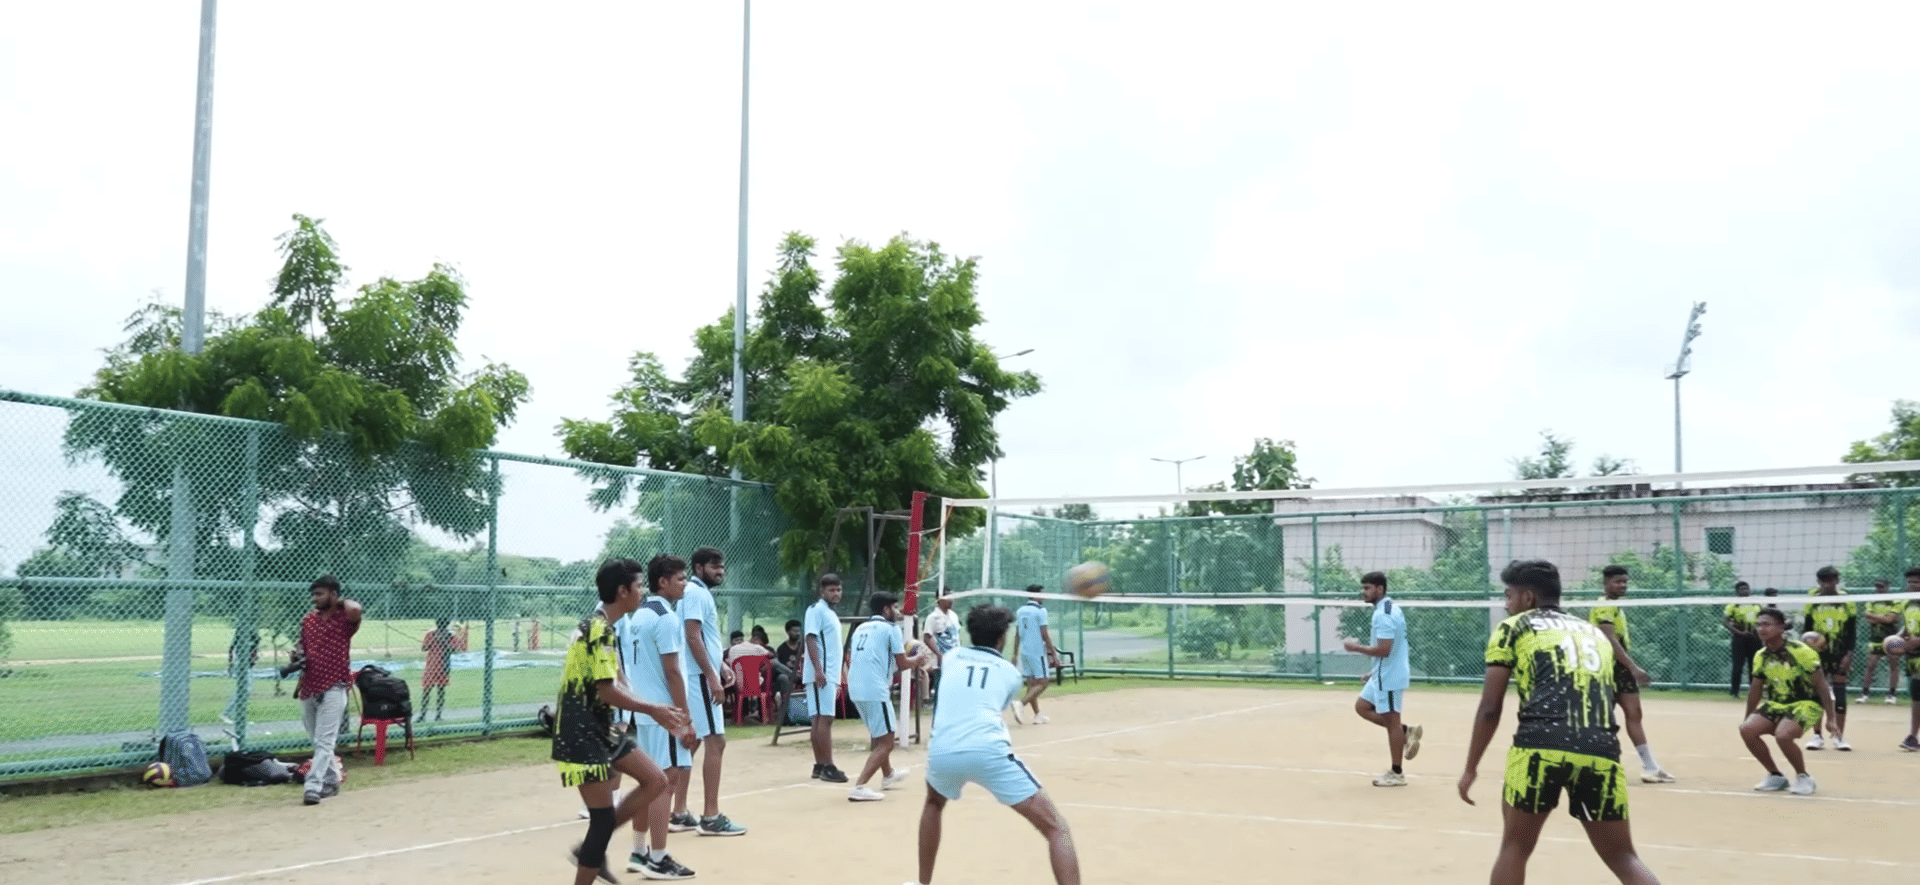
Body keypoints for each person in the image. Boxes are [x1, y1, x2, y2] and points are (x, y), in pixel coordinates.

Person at [1458, 559, 1661, 885]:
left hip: (1539, 748)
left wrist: (1470, 768)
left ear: (1527, 598)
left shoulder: (1514, 628)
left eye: (1508, 595)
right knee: (1624, 857)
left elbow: (1489, 709)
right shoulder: (1593, 633)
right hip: (1600, 749)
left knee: (1514, 848)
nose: (1506, 604)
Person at [904, 604, 1081, 885]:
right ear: (1001, 638)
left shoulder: (950, 658)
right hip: (988, 750)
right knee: (1056, 828)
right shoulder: (1011, 674)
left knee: (934, 804)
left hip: (943, 750)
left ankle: (922, 883)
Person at [554, 558, 691, 885]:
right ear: (622, 590)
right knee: (601, 823)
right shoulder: (597, 629)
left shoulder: (603, 627)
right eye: (639, 586)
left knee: (656, 780)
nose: (642, 592)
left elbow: (614, 678)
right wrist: (653, 709)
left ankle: (592, 850)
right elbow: (605, 692)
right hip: (582, 733)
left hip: (598, 729)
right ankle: (593, 853)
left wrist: (640, 701)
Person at [619, 554, 699, 880]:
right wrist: (685, 718)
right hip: (664, 713)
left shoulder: (638, 616)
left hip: (645, 711)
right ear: (663, 581)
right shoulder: (666, 618)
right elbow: (673, 672)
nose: (685, 583)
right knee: (665, 784)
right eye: (680, 578)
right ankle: (658, 857)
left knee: (650, 783)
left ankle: (639, 852)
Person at [669, 546, 747, 837]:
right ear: (699, 568)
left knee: (694, 742)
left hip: (699, 674)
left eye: (722, 567)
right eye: (714, 566)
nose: (720, 572)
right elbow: (692, 636)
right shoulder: (696, 593)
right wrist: (711, 676)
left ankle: (679, 812)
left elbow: (703, 638)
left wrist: (721, 665)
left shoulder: (695, 593)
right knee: (716, 741)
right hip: (699, 678)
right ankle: (711, 816)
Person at [1587, 565, 1675, 783]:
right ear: (1606, 584)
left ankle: (1650, 766)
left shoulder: (1617, 607)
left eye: (1625, 582)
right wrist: (1633, 667)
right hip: (1605, 668)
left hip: (1620, 668)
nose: (1622, 585)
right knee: (1601, 718)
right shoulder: (1604, 606)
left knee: (1634, 713)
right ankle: (1594, 764)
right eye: (1618, 581)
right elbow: (1608, 638)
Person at [1740, 607, 1840, 795]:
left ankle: (1803, 777)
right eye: (1758, 625)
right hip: (1777, 704)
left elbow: (1822, 687)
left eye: (1766, 624)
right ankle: (1775, 776)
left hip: (1806, 703)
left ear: (1781, 628)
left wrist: (1831, 719)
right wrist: (1748, 716)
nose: (1761, 629)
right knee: (1747, 730)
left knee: (1783, 735)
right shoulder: (1760, 655)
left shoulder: (1801, 651)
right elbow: (1755, 689)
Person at [1341, 571, 1422, 786]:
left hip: (1389, 676)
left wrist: (1355, 648)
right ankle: (1405, 731)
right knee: (1362, 706)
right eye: (1363, 588)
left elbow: (1385, 649)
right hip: (1382, 672)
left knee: (1391, 721)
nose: (1363, 592)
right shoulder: (1388, 609)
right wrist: (1372, 672)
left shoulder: (1384, 614)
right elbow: (1391, 648)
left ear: (1380, 589)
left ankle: (1396, 773)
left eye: (1367, 588)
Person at [292, 575, 361, 806]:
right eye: (313, 594)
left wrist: (341, 602)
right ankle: (332, 780)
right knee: (318, 740)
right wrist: (296, 654)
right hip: (309, 685)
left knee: (324, 741)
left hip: (334, 686)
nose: (314, 599)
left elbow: (355, 608)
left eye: (320, 594)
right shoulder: (309, 620)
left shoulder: (345, 618)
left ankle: (313, 787)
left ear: (333, 594)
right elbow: (301, 645)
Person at [847, 592, 916, 801]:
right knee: (887, 742)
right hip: (874, 689)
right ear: (886, 609)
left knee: (880, 736)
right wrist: (918, 659)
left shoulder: (860, 628)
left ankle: (888, 775)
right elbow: (903, 664)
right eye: (895, 608)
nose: (897, 612)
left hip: (855, 687)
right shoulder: (891, 629)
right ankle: (859, 787)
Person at [1801, 565, 1856, 750]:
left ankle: (1839, 736)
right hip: (1817, 654)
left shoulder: (1846, 601)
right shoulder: (1813, 602)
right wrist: (1807, 650)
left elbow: (1852, 632)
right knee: (1817, 694)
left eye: (1831, 580)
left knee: (1839, 696)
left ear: (1837, 580)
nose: (1828, 584)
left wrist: (1849, 654)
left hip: (1840, 652)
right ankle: (1817, 736)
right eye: (1824, 580)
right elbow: (1806, 630)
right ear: (1819, 582)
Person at [804, 573, 849, 783]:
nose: (836, 593)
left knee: (820, 717)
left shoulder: (830, 613)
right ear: (822, 591)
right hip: (821, 674)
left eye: (838, 589)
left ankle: (820, 765)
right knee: (824, 718)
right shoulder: (816, 610)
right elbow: (811, 639)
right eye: (831, 590)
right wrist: (818, 670)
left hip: (830, 672)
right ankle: (828, 765)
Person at [1012, 585, 1059, 724]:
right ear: (1035, 595)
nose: (1044, 596)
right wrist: (1054, 654)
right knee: (1043, 682)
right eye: (1042, 593)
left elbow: (1017, 634)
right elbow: (1045, 634)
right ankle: (1021, 703)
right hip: (1037, 652)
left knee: (1032, 684)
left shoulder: (1020, 610)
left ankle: (1037, 715)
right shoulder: (1041, 611)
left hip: (1025, 652)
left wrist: (1015, 653)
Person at [1861, 579, 1903, 706]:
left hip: (1892, 638)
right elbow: (1868, 619)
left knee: (1893, 666)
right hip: (1876, 639)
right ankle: (1864, 693)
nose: (1879, 589)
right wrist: (1884, 618)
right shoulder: (1872, 600)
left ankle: (1892, 694)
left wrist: (1875, 617)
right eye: (1877, 587)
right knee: (1870, 666)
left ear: (1888, 587)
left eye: (1882, 587)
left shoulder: (1895, 600)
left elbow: (1892, 619)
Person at [419, 617, 468, 722]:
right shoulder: (430, 634)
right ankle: (423, 715)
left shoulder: (450, 636)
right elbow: (424, 648)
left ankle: (437, 715)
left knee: (439, 690)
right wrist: (434, 641)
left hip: (442, 665)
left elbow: (456, 649)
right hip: (432, 666)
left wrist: (445, 643)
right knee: (427, 690)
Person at [1722, 581, 1762, 698]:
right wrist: (1739, 632)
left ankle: (1754, 691)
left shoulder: (1756, 604)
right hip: (1739, 639)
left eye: (1746, 589)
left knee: (1755, 666)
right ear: (1737, 592)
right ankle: (1734, 692)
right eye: (1742, 589)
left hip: (1755, 638)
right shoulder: (1733, 605)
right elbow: (1725, 621)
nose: (1745, 591)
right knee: (1738, 666)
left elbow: (1763, 617)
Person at [921, 590, 960, 707]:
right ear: (940, 599)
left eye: (952, 597)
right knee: (940, 694)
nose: (951, 600)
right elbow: (927, 638)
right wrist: (939, 654)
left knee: (954, 694)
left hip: (955, 659)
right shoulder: (933, 617)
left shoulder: (953, 615)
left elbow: (957, 636)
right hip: (941, 663)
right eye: (948, 597)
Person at [1899, 566, 1920, 752]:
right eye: (1910, 582)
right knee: (1916, 693)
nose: (1912, 585)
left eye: (1916, 582)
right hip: (1914, 657)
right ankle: (1913, 736)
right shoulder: (1907, 604)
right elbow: (1906, 629)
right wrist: (1897, 642)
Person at [222, 625, 260, 725]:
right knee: (244, 690)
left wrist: (254, 658)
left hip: (249, 666)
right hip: (241, 664)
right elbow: (231, 648)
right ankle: (227, 713)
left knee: (246, 690)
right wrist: (230, 664)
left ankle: (239, 717)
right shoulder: (240, 631)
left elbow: (255, 649)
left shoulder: (254, 634)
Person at [772, 619, 803, 725]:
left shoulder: (803, 647)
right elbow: (778, 668)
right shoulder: (782, 649)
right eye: (794, 631)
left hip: (802, 675)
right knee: (782, 678)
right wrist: (791, 673)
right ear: (788, 632)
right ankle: (787, 714)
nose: (797, 633)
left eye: (799, 631)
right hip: (788, 677)